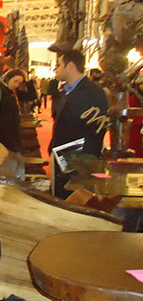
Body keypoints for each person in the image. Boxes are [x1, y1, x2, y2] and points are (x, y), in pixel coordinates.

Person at [49, 49, 109, 199]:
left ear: (70, 66)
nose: (56, 69)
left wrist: (72, 160)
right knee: (62, 198)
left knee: (75, 201)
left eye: (59, 65)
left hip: (79, 162)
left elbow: (94, 132)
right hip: (64, 158)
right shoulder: (66, 91)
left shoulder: (93, 92)